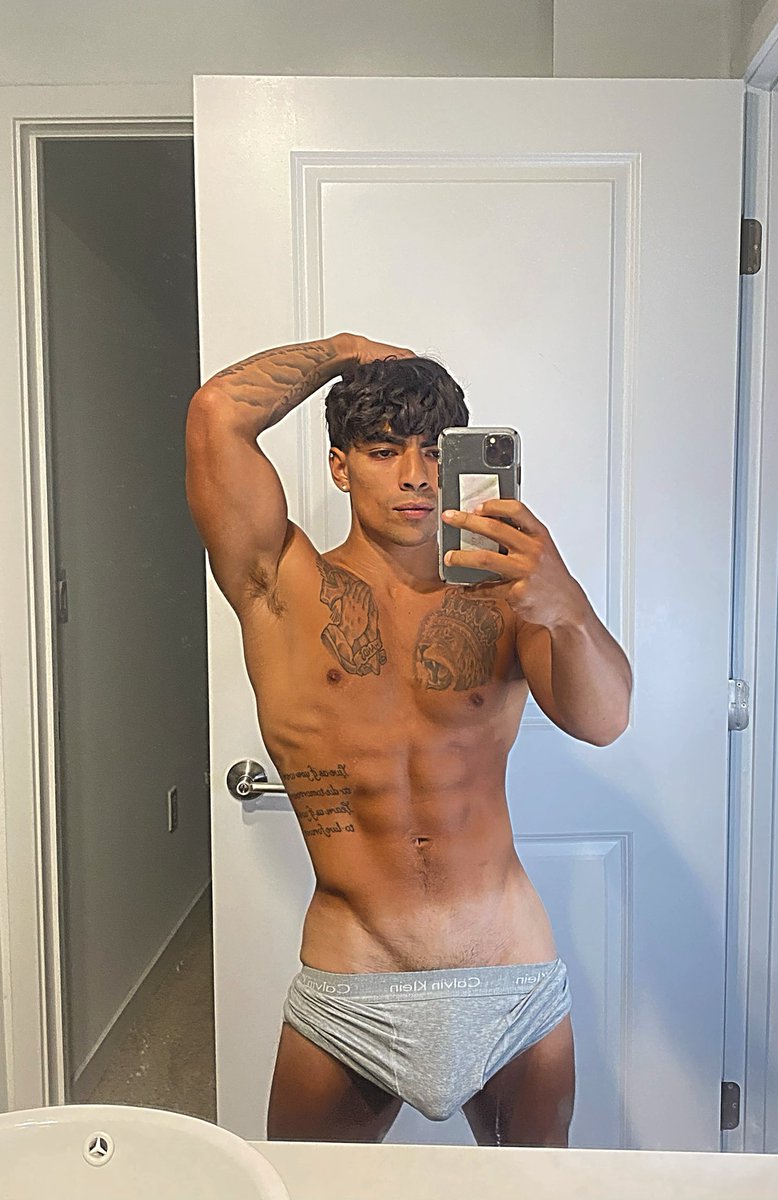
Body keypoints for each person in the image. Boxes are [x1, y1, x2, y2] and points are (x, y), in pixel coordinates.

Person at [185, 332, 632, 1146]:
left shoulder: (508, 597)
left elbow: (605, 720)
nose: (416, 475)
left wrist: (563, 601)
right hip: (353, 988)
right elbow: (217, 412)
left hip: (511, 981)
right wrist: (346, 349)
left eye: (432, 451)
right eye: (385, 450)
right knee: (306, 1195)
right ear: (340, 465)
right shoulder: (279, 583)